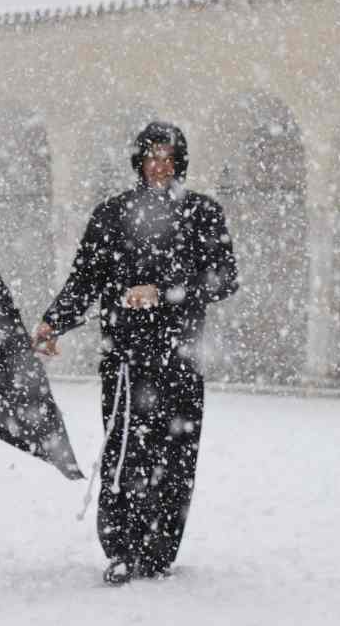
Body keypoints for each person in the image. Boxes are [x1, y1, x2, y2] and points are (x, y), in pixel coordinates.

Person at [32, 121, 239, 585]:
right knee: (126, 452)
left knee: (177, 454)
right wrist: (53, 321)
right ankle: (123, 548)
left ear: (179, 162)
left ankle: (160, 552)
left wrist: (165, 293)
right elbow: (85, 279)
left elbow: (224, 278)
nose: (159, 166)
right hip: (126, 358)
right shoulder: (113, 214)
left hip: (182, 358)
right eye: (151, 157)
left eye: (167, 158)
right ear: (138, 162)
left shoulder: (203, 214)